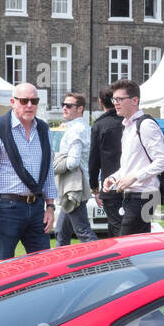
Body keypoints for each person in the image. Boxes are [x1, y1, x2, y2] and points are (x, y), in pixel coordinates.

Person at [0, 83, 57, 259]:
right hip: (6, 208)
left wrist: (50, 207)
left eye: (34, 101)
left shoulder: (43, 129)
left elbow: (48, 170)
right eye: (24, 100)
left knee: (43, 263)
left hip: (36, 207)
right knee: (2, 264)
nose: (29, 105)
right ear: (13, 102)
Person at [103, 79, 164, 236]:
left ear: (135, 100)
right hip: (132, 195)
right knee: (137, 248)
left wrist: (134, 177)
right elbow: (130, 166)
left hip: (144, 195)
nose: (116, 103)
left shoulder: (145, 125)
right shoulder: (128, 127)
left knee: (124, 246)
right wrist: (113, 177)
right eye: (114, 99)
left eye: (120, 99)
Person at [54, 91, 95, 246]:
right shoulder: (82, 127)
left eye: (69, 105)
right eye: (63, 105)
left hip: (74, 186)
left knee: (83, 231)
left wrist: (53, 166)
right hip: (73, 184)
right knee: (61, 233)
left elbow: (72, 162)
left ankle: (104, 260)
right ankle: (61, 265)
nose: (65, 108)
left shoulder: (76, 130)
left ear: (80, 109)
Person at [89, 89, 125, 237]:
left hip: (110, 183)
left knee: (115, 226)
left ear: (100, 102)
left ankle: (122, 256)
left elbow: (94, 160)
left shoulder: (99, 125)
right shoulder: (126, 122)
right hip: (133, 181)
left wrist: (94, 188)